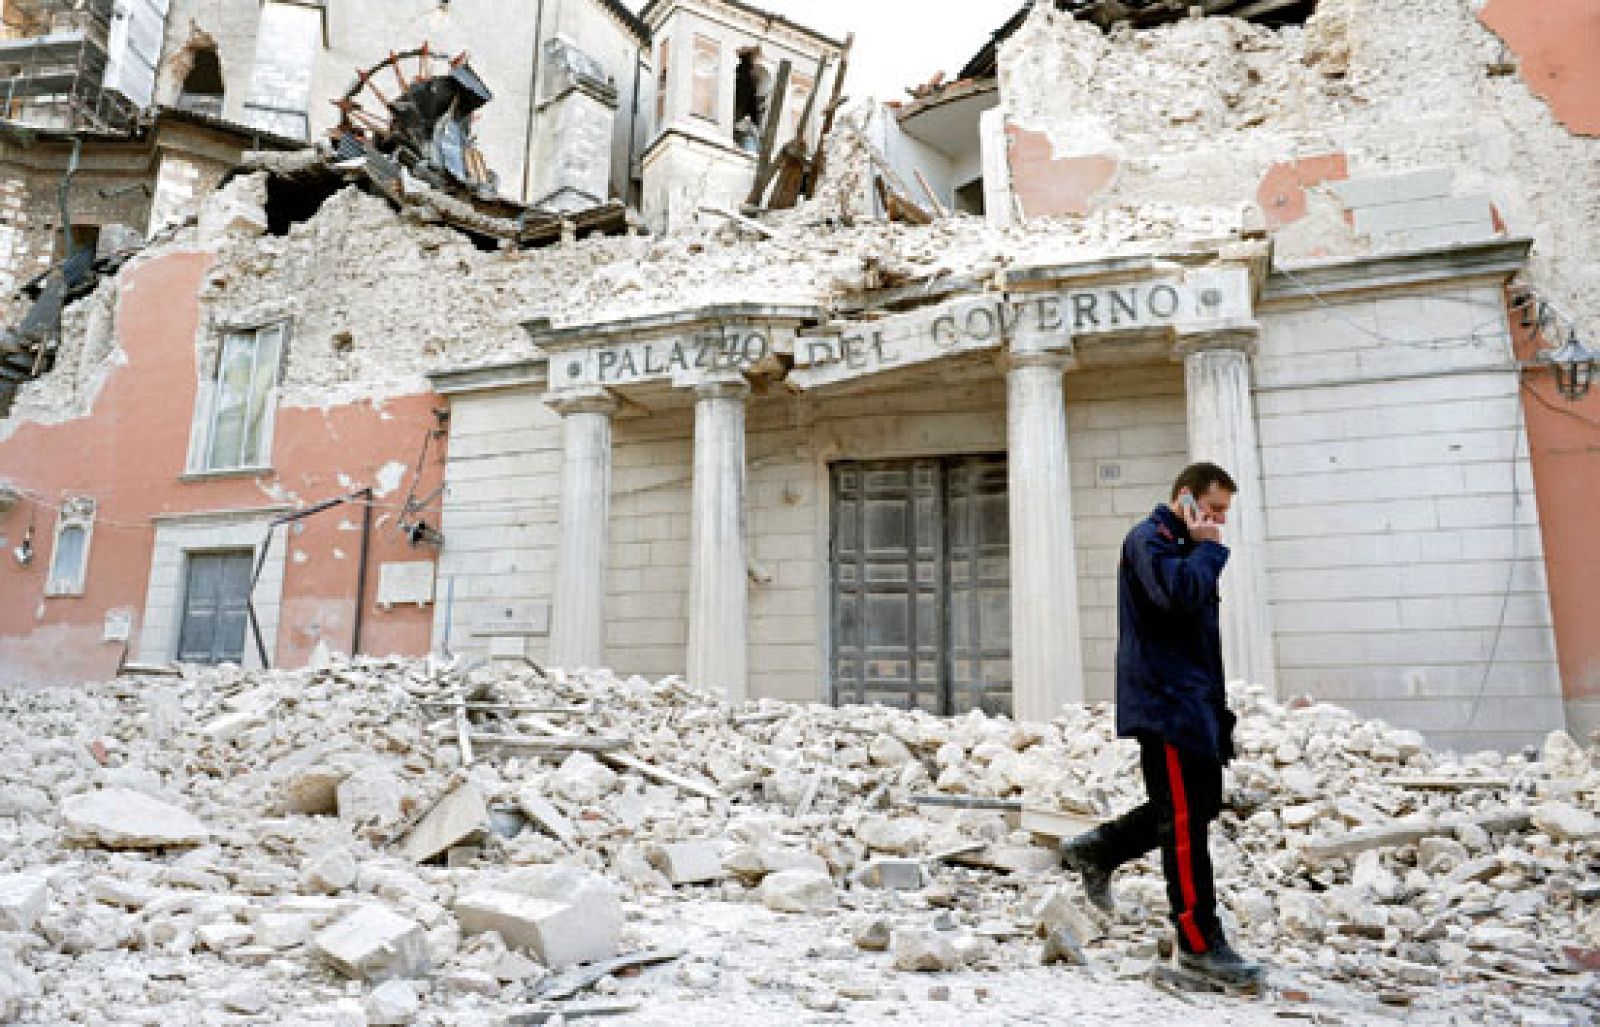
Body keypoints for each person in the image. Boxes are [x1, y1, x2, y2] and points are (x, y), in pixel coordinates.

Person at [1059, 461, 1265, 990]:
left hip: (1194, 705)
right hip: (1166, 706)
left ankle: (1099, 849)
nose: (1219, 521)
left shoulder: (1188, 547)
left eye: (1223, 514)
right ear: (1185, 499)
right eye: (1213, 509)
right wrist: (1208, 547)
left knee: (1195, 808)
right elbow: (1176, 597)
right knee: (1184, 825)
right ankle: (1198, 945)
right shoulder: (1148, 541)